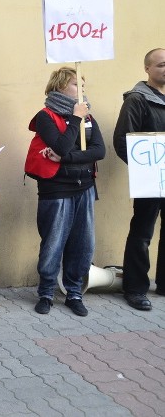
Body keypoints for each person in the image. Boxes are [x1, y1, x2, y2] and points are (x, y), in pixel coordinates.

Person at [26, 67, 105, 316]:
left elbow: (99, 151)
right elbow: (59, 143)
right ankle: (46, 293)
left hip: (85, 187)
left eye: (83, 84)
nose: (81, 90)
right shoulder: (45, 116)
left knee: (83, 244)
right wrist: (75, 119)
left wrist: (64, 158)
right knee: (53, 243)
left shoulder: (88, 117)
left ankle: (73, 292)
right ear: (60, 86)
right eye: (75, 84)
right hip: (56, 189)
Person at [113, 48, 165, 311]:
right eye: (162, 65)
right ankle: (134, 288)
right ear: (147, 68)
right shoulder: (136, 100)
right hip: (151, 179)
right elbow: (123, 141)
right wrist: (146, 170)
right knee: (142, 233)